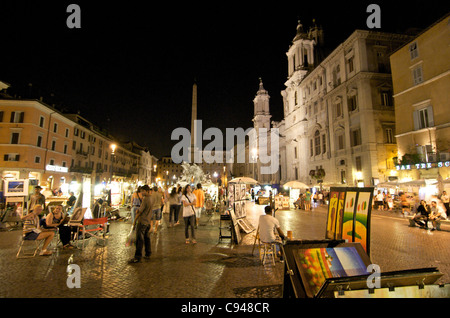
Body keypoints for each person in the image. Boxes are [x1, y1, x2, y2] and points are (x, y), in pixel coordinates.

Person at [129, 185, 152, 263]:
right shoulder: (151, 198)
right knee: (146, 238)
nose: (141, 192)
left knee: (140, 239)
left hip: (142, 221)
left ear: (146, 191)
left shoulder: (145, 199)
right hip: (148, 221)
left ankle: (137, 257)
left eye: (143, 191)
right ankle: (148, 253)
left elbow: (140, 211)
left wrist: (135, 220)